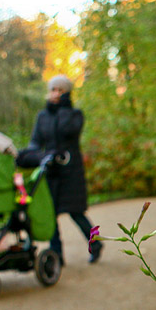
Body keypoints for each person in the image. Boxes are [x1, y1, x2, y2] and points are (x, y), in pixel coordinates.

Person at [28, 74, 102, 264]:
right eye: (53, 89)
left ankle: (95, 244)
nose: (56, 94)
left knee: (76, 212)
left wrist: (63, 107)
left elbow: (68, 130)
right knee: (51, 213)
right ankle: (57, 254)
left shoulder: (75, 114)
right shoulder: (42, 116)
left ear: (67, 94)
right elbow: (36, 142)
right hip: (51, 171)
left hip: (71, 170)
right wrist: (33, 156)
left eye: (61, 91)